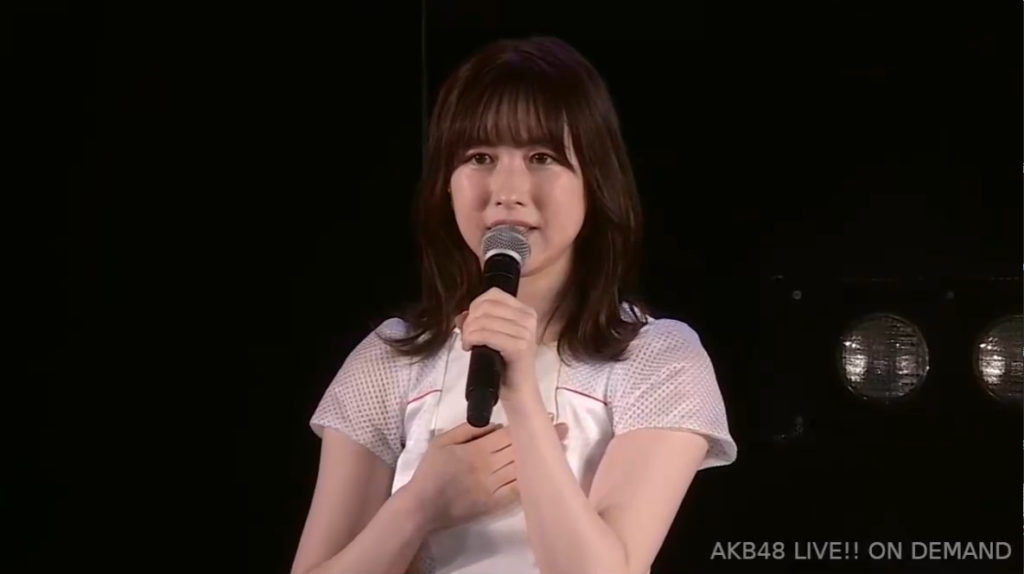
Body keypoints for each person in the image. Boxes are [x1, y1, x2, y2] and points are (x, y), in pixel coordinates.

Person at [290, 36, 737, 574]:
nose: (507, 190)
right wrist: (418, 506)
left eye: (541, 157)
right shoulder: (390, 359)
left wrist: (521, 393)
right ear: (446, 185)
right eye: (480, 157)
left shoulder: (658, 359)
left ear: (594, 180)